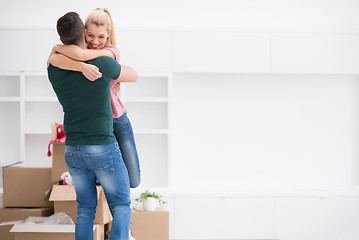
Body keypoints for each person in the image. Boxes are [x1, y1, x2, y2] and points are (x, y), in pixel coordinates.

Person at [47, 11, 138, 240]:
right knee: (120, 204)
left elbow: (56, 55)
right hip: (102, 147)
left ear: (61, 41)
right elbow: (134, 75)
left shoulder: (54, 68)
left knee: (85, 209)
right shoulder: (103, 63)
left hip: (73, 149)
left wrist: (74, 60)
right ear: (85, 34)